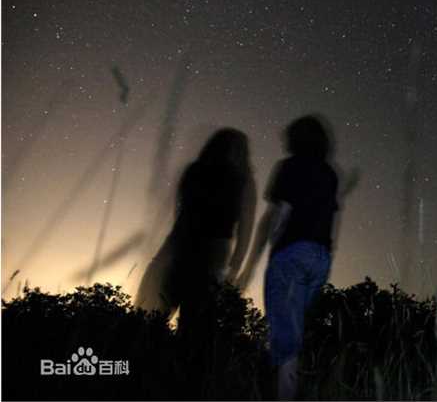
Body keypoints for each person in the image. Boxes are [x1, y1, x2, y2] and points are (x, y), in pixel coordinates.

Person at [236, 114, 345, 400]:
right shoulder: (330, 172)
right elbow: (334, 218)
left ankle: (284, 394)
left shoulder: (289, 167)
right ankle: (292, 385)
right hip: (320, 257)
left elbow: (276, 215)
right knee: (294, 329)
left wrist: (255, 259)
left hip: (291, 254)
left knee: (286, 340)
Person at [135, 128, 256, 335]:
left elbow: (179, 213)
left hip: (177, 247)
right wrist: (235, 268)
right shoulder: (242, 181)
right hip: (212, 254)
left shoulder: (194, 171)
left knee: (148, 319)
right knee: (193, 327)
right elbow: (245, 229)